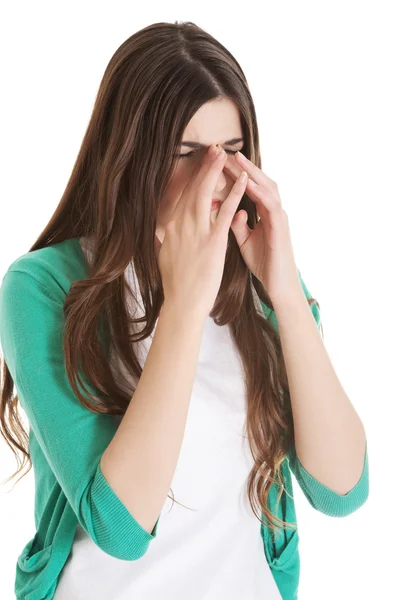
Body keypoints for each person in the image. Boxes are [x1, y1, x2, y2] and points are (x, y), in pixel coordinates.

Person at [0, 21, 369, 600]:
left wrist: (287, 297)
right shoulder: (42, 287)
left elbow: (342, 490)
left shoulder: (260, 282)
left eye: (235, 151)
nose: (217, 177)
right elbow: (119, 528)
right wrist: (186, 303)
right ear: (128, 156)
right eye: (186, 153)